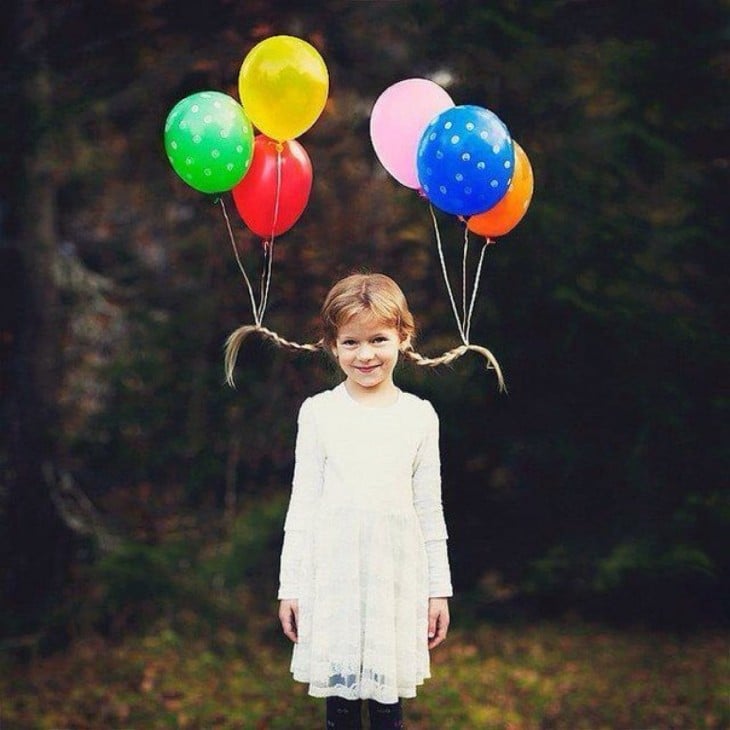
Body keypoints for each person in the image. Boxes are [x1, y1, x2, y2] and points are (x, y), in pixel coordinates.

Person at [224, 273, 501, 729]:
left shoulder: (418, 416)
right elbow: (303, 506)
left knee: (387, 704)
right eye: (351, 342)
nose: (366, 354)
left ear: (402, 337)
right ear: (332, 345)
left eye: (378, 339)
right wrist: (289, 586)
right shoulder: (318, 412)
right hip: (334, 578)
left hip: (395, 579)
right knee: (342, 707)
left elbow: (430, 510)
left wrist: (439, 590)